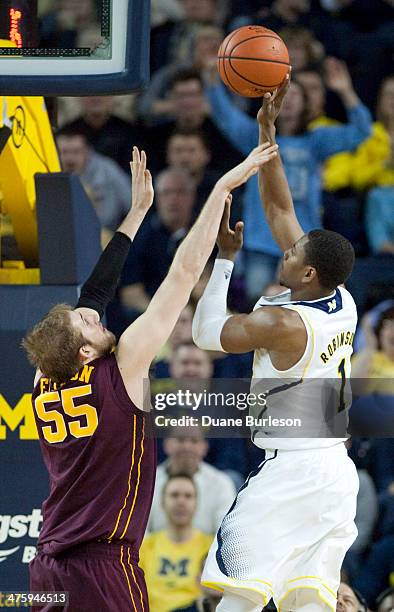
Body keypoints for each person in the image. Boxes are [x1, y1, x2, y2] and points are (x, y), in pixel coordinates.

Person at [23, 142, 278, 611]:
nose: (96, 317)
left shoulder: (46, 372)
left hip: (48, 564)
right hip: (101, 563)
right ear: (85, 351)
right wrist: (221, 188)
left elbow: (95, 291)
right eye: (88, 324)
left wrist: (136, 213)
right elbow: (181, 276)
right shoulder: (124, 367)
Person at [192, 77, 359, 611]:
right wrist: (267, 134)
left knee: (238, 595)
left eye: (292, 255)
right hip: (334, 471)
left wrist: (223, 261)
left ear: (306, 272)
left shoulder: (283, 322)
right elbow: (283, 212)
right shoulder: (340, 296)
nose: (283, 248)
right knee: (306, 601)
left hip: (292, 467)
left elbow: (204, 335)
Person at [203, 57, 372, 300]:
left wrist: (345, 91)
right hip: (261, 238)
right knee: (258, 298)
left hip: (302, 237)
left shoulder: (316, 141)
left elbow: (362, 130)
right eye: (285, 94)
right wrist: (211, 81)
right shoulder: (256, 134)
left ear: (306, 104)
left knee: (304, 302)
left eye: (296, 95)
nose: (289, 100)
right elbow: (225, 116)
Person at [140, 473, 212, 612]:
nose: (181, 501)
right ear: (162, 502)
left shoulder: (210, 548)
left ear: (197, 503)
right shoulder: (145, 547)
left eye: (188, 496)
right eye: (174, 495)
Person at [148, 425, 236, 535]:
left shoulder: (221, 483)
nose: (187, 446)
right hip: (153, 550)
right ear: (167, 445)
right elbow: (140, 533)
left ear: (204, 447)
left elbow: (226, 533)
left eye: (194, 441)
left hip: (207, 551)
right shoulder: (148, 481)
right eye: (180, 440)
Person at [56, 126, 131, 232]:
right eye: (64, 152)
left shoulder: (108, 170)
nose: (70, 159)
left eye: (76, 152)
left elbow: (132, 204)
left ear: (87, 152)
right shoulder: (49, 171)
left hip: (105, 235)